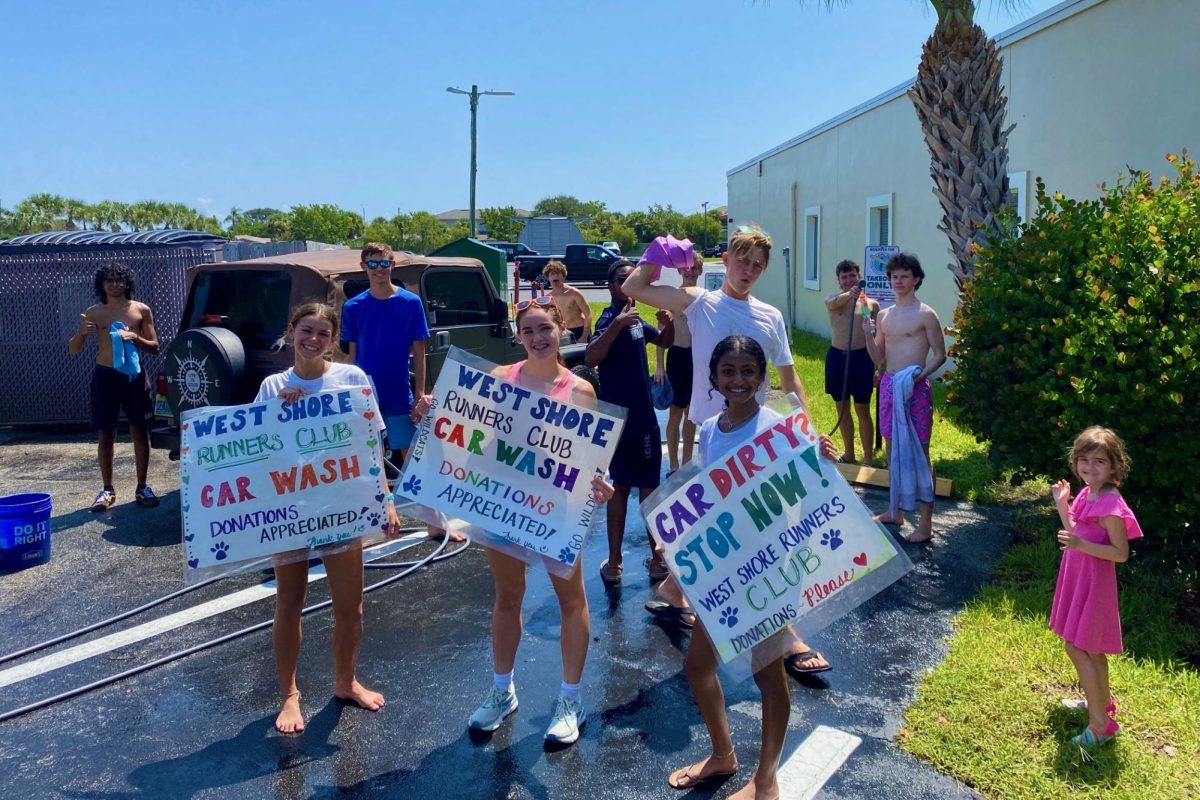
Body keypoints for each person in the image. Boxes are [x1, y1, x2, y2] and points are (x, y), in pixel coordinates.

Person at [623, 224, 831, 677]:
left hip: (760, 438)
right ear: (727, 258)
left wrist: (805, 431)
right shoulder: (701, 302)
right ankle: (681, 593)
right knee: (718, 531)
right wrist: (657, 252)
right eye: (743, 260)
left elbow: (790, 378)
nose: (749, 270)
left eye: (758, 264)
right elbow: (634, 287)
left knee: (776, 531)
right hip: (714, 436)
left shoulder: (771, 316)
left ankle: (778, 627)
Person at [414, 295, 613, 746]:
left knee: (570, 601)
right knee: (508, 597)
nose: (538, 338)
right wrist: (435, 414)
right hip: (502, 504)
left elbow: (589, 460)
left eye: (546, 328)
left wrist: (601, 483)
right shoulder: (499, 379)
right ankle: (502, 691)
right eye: (529, 331)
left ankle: (570, 699)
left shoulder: (579, 391)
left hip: (555, 509)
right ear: (517, 336)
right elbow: (468, 430)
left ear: (560, 328)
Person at [667, 335, 840, 798]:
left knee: (768, 677)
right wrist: (680, 549)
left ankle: (767, 779)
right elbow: (703, 501)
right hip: (720, 573)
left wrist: (819, 456)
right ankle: (724, 756)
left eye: (748, 371)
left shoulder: (780, 428)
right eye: (729, 372)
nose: (739, 380)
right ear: (715, 378)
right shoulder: (708, 430)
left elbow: (812, 489)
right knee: (698, 668)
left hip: (765, 572)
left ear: (762, 377)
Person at [255, 302, 402, 735]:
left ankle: (345, 681)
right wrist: (278, 412)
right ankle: (289, 694)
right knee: (289, 603)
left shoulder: (352, 379)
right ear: (291, 331)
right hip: (292, 507)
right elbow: (255, 449)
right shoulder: (271, 386)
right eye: (306, 330)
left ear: (333, 339)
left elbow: (372, 442)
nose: (313, 340)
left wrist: (386, 498)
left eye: (323, 333)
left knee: (350, 607)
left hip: (343, 503)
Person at [341, 242, 463, 542]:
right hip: (364, 395)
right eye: (373, 264)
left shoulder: (410, 303)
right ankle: (375, 524)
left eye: (384, 263)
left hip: (399, 393)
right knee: (369, 462)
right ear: (363, 268)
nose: (379, 269)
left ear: (392, 265)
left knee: (414, 459)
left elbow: (419, 352)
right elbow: (351, 357)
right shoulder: (353, 307)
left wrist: (420, 394)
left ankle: (435, 523)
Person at [1050, 426, 1141, 748]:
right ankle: (1100, 704)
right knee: (1091, 649)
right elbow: (1077, 533)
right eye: (1083, 460)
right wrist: (1063, 505)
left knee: (1077, 646)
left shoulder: (1111, 503)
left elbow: (1120, 553)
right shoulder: (1089, 493)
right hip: (1077, 575)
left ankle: (1101, 726)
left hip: (1094, 582)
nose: (1090, 467)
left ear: (1115, 465)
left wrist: (1079, 544)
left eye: (1099, 461)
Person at [586, 259, 674, 587]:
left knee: (650, 490)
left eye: (632, 278)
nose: (628, 284)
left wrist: (669, 323)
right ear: (611, 287)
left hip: (645, 418)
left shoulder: (636, 319)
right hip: (618, 420)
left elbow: (664, 341)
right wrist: (618, 325)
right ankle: (614, 561)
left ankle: (657, 557)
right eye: (622, 280)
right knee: (620, 487)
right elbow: (591, 357)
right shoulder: (610, 318)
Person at [860, 253, 946, 543]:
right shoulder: (884, 315)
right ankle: (894, 510)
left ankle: (925, 523)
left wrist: (920, 376)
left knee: (920, 453)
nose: (898, 281)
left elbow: (940, 354)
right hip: (889, 386)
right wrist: (869, 335)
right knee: (892, 447)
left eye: (904, 276)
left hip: (915, 389)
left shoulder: (926, 314)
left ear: (916, 279)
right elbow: (879, 357)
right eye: (894, 276)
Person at [67, 262, 161, 512]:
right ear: (101, 284)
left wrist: (136, 338)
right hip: (105, 376)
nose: (114, 283)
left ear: (127, 283)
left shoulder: (141, 310)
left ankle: (142, 487)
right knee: (105, 433)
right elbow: (73, 350)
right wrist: (81, 334)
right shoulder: (94, 313)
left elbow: (155, 347)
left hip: (134, 377)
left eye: (119, 279)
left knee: (140, 431)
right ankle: (107, 489)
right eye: (109, 279)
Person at [824, 259, 880, 465]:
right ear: (839, 281)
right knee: (842, 407)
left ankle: (867, 458)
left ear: (859, 277)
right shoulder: (833, 299)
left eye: (852, 276)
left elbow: (876, 336)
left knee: (862, 409)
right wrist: (850, 294)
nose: (848, 280)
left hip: (862, 358)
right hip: (837, 358)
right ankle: (849, 454)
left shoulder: (870, 304)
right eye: (844, 277)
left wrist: (877, 368)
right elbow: (835, 303)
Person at [655, 250, 704, 477]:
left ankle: (686, 464)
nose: (690, 271)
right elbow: (661, 334)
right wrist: (659, 366)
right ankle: (673, 466)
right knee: (675, 413)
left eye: (694, 268)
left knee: (691, 414)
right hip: (677, 356)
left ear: (700, 271)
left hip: (698, 359)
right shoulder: (672, 297)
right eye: (687, 268)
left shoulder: (705, 298)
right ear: (679, 270)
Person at [541, 260, 591, 341]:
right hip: (564, 333)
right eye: (552, 274)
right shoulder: (548, 298)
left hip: (579, 330)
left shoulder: (574, 293)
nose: (555, 276)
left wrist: (585, 335)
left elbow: (588, 315)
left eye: (558, 273)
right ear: (548, 278)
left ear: (563, 276)